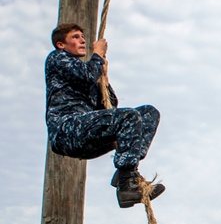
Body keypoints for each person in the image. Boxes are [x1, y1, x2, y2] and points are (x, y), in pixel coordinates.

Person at [45, 23, 164, 208]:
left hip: (87, 135)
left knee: (148, 113)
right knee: (129, 116)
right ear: (61, 44)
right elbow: (86, 74)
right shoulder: (57, 58)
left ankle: (127, 171)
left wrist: (105, 80)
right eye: (75, 37)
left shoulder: (89, 71)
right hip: (66, 130)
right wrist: (98, 55)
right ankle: (126, 183)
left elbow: (110, 106)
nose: (82, 39)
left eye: (82, 36)